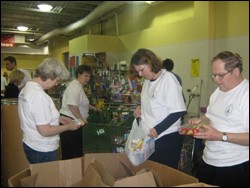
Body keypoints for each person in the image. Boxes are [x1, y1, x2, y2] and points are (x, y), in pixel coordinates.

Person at [188, 51, 249, 187]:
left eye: (220, 75)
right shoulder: (218, 91)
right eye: (213, 75)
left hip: (234, 166)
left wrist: (221, 136)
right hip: (209, 160)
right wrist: (201, 121)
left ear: (236, 72)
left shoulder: (246, 95)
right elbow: (210, 116)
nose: (216, 80)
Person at [18, 58, 84, 164]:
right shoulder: (38, 96)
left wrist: (59, 118)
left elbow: (35, 116)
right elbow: (45, 131)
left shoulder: (26, 89)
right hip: (42, 148)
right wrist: (68, 127)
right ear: (50, 76)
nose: (56, 84)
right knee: (46, 179)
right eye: (57, 80)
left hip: (31, 143)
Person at [130, 48, 186, 169]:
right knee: (149, 171)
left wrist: (157, 129)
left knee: (164, 176)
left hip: (165, 137)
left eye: (141, 70)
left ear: (150, 63)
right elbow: (151, 101)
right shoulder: (147, 81)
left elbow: (179, 111)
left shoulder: (168, 79)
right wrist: (140, 108)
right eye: (137, 71)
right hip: (149, 136)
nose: (140, 74)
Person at [59, 64, 99, 160]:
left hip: (72, 120)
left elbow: (79, 102)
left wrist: (92, 107)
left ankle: (73, 171)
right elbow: (72, 105)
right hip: (70, 121)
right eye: (85, 76)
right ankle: (73, 172)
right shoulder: (75, 86)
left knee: (73, 150)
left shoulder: (77, 86)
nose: (88, 78)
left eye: (89, 76)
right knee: (73, 152)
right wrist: (81, 119)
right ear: (78, 75)